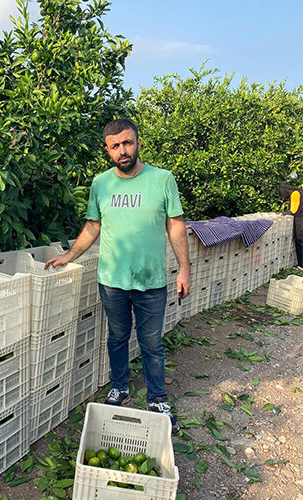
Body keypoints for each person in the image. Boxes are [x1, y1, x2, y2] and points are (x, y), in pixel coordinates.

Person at [45, 118, 189, 433]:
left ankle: (157, 398)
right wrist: (70, 255)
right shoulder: (101, 184)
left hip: (152, 281)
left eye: (127, 143)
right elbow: (93, 226)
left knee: (151, 344)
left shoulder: (162, 179)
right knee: (117, 337)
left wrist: (184, 269)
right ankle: (119, 387)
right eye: (115, 146)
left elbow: (176, 225)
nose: (122, 150)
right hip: (112, 282)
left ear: (138, 143)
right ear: (108, 150)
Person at [278, 181, 303, 270]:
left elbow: (293, 210)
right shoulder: (299, 191)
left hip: (300, 223)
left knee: (300, 243)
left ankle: (301, 266)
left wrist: (283, 216)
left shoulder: (295, 194)